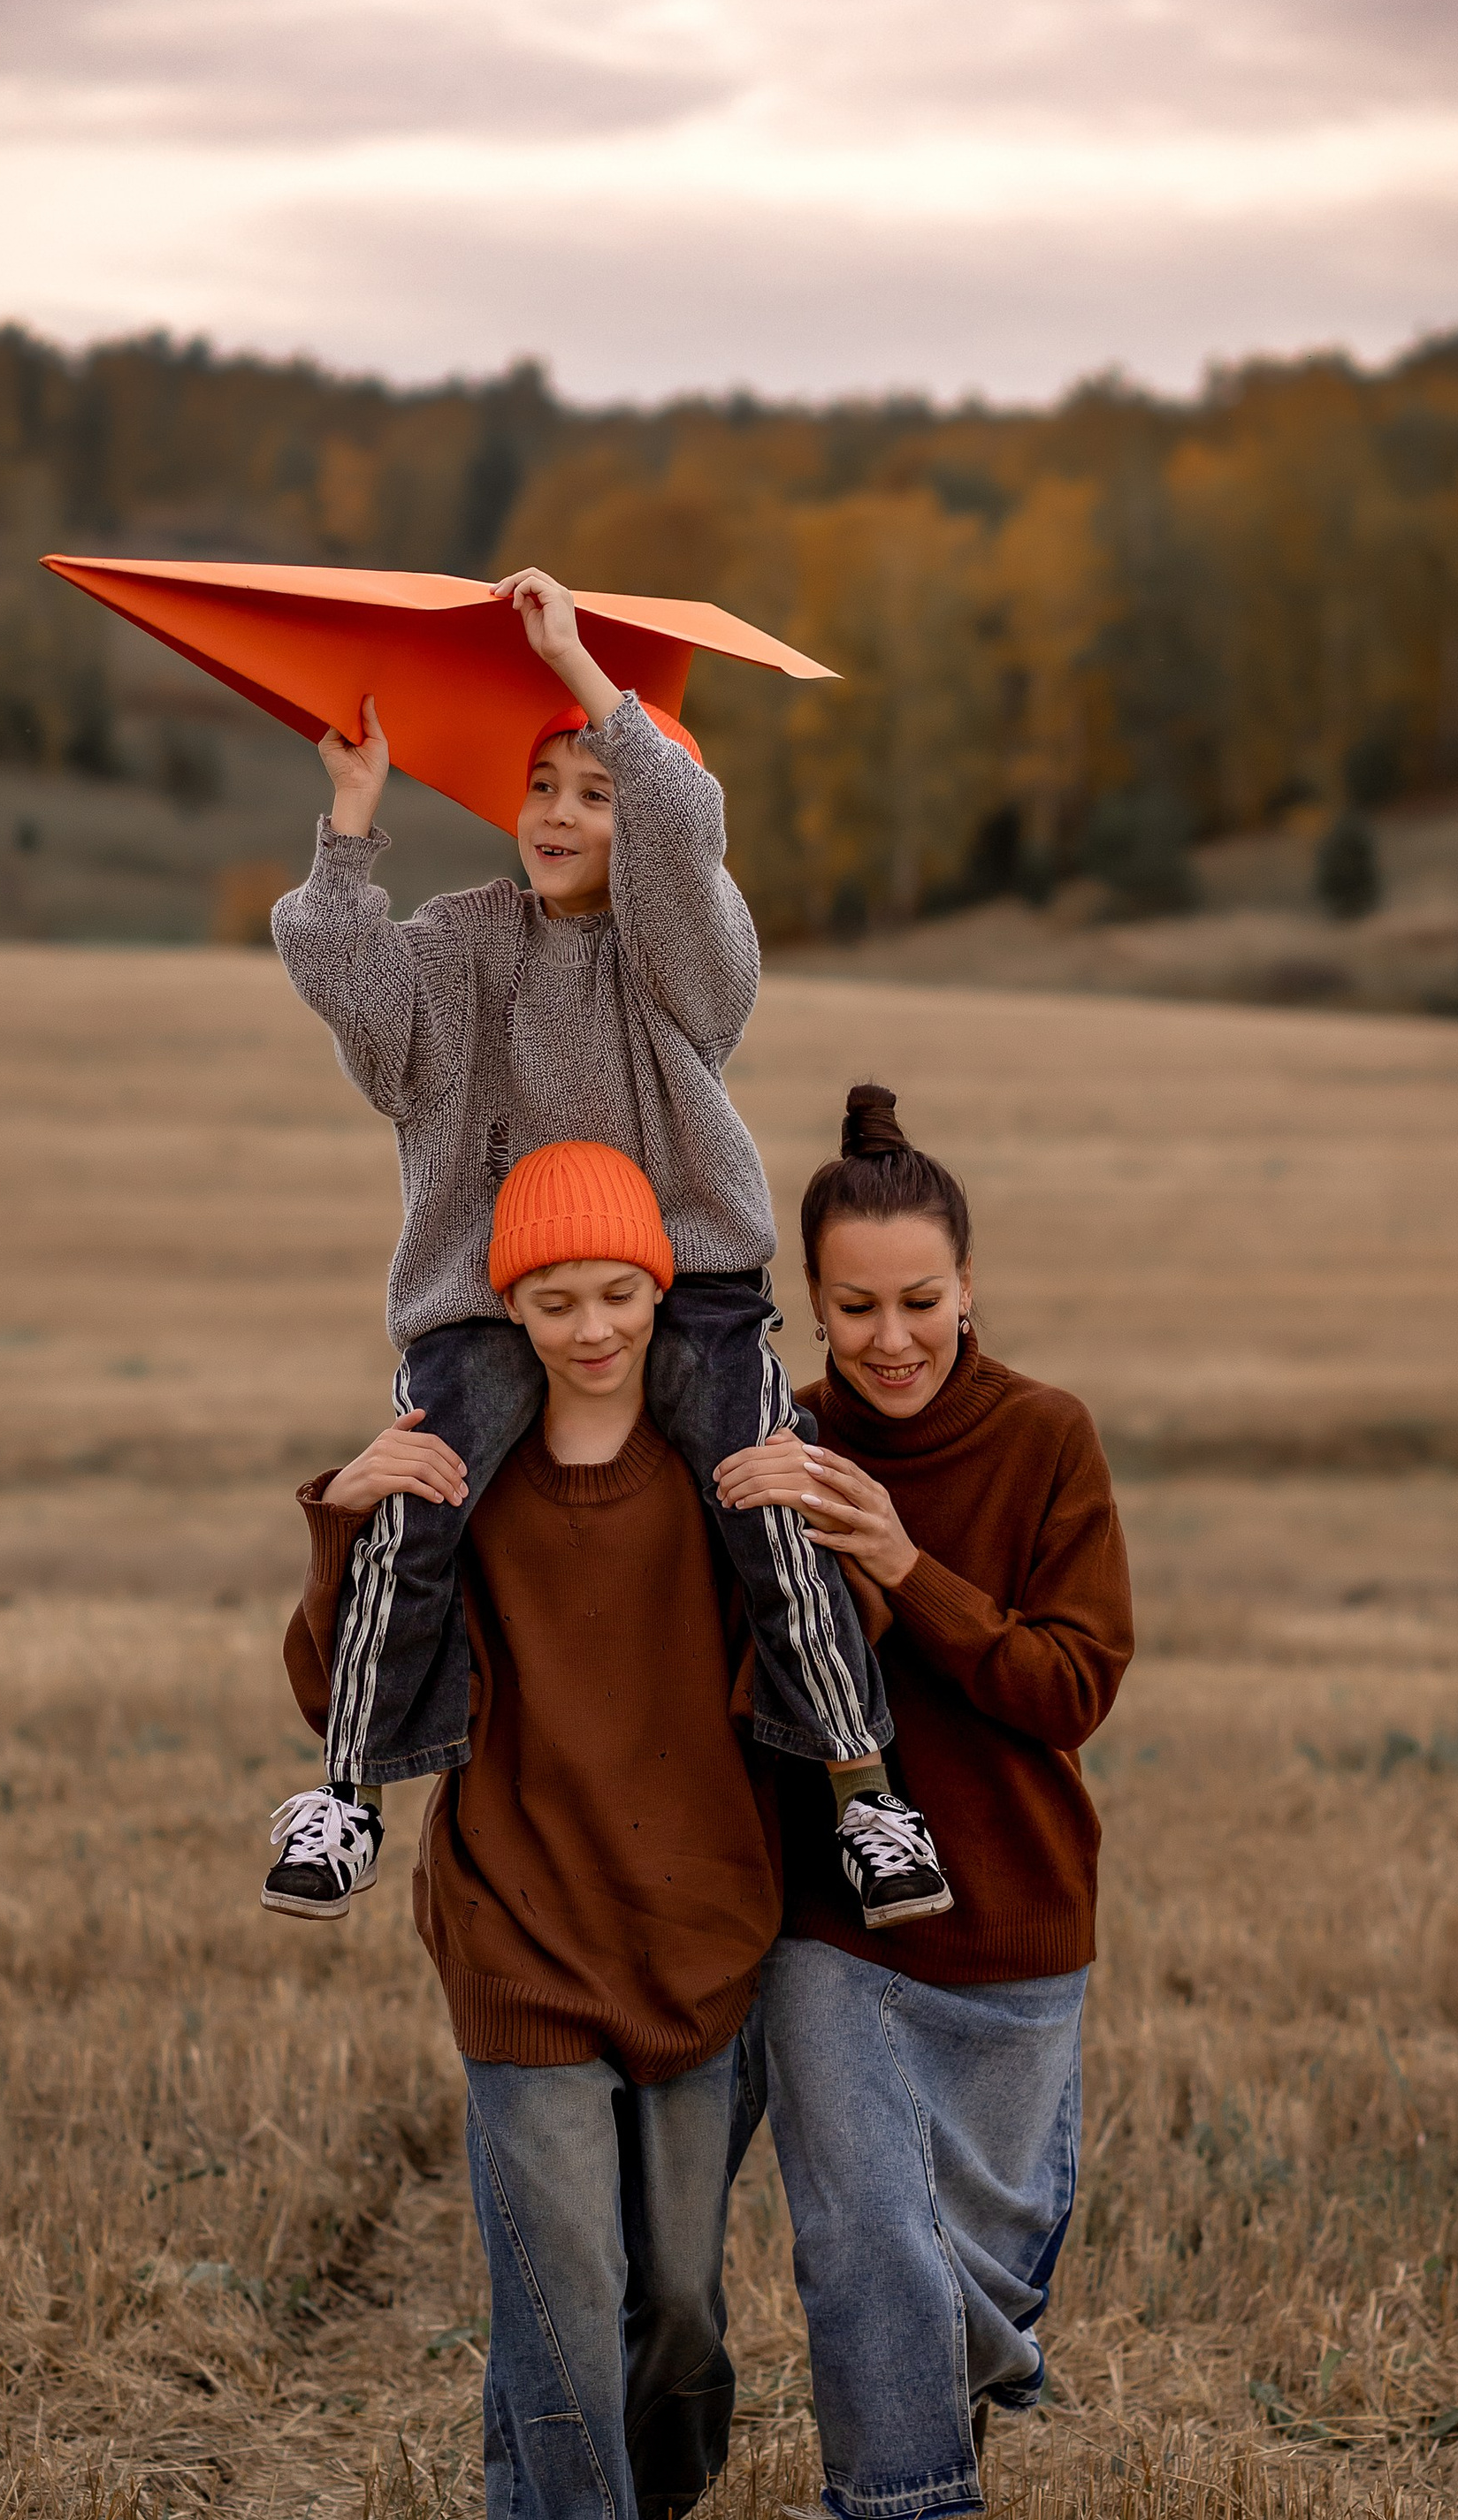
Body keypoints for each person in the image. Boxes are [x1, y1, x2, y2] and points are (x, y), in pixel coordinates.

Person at [257, 567, 948, 1934]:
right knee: (418, 1492)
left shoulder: (682, 952)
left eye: (596, 787)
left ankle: (866, 1796)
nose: (561, 813)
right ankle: (347, 1795)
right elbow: (350, 992)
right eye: (543, 787)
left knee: (768, 1489)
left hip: (689, 1285)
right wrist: (350, 820)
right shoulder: (459, 943)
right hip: (482, 1293)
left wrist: (576, 665)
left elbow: (687, 826)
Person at [279, 1140, 778, 2520]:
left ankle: (611, 2511)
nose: (588, 1327)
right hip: (516, 1937)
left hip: (701, 1932)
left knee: (682, 2313)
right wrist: (343, 1511)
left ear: (661, 1295)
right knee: (562, 2305)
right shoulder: (465, 1480)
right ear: (508, 1304)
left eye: (618, 1293)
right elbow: (337, 1677)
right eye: (552, 1298)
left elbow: (819, 1649)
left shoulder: (721, 1477)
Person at [714, 1083, 1134, 2520]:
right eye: (854, 1307)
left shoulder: (1045, 1440)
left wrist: (901, 1560)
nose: (890, 1337)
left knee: (977, 2278)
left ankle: (944, 2401)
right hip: (835, 1921)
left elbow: (1069, 1684)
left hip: (1015, 1922)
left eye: (921, 1301)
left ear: (971, 1288)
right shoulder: (784, 1445)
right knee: (865, 2232)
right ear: (811, 1307)